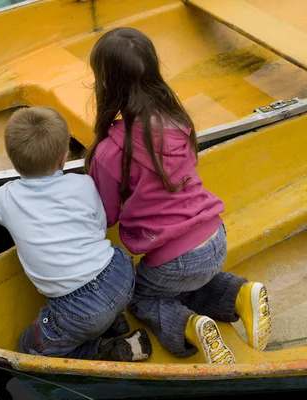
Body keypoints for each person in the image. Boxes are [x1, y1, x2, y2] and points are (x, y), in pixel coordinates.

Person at [85, 28, 271, 364]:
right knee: (187, 284)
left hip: (174, 260)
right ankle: (240, 294)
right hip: (215, 239)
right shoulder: (176, 121)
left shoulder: (110, 150)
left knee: (142, 295)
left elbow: (106, 215)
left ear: (105, 84)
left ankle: (188, 326)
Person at [0, 106, 152, 362]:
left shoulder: (6, 197)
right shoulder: (84, 183)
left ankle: (105, 348)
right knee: (107, 259)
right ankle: (115, 319)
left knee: (29, 347)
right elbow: (99, 227)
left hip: (78, 310)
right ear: (64, 157)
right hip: (120, 276)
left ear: (12, 161)